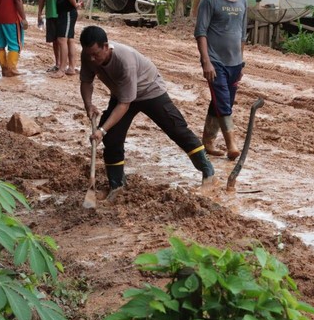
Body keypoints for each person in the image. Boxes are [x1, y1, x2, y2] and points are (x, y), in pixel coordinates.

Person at [79, 26, 217, 199]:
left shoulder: (124, 61)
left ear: (106, 46)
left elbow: (124, 105)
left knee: (176, 128)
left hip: (149, 90)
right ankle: (117, 185)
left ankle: (207, 170)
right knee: (112, 139)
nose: (92, 59)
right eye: (88, 54)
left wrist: (101, 130)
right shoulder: (87, 56)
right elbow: (86, 81)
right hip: (122, 93)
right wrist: (89, 104)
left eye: (96, 54)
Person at [194, 0, 247, 161]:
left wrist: (241, 62)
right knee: (223, 101)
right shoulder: (209, 0)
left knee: (222, 101)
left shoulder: (243, 1)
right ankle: (231, 144)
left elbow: (242, 33)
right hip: (215, 62)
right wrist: (206, 61)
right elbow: (200, 32)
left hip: (235, 63)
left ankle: (207, 142)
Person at [49, 0, 79, 78]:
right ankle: (71, 68)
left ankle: (62, 69)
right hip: (65, 13)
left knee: (62, 40)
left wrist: (76, 5)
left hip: (68, 13)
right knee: (69, 40)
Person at [37, 0, 63, 72]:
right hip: (50, 14)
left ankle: (65, 65)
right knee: (55, 41)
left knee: (63, 41)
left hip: (62, 15)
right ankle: (58, 64)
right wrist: (39, 13)